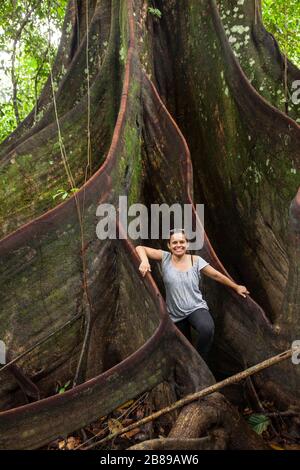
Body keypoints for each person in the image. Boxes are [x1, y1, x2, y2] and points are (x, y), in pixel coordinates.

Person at [136, 229, 249, 362]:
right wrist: (144, 261)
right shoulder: (165, 257)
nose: (178, 245)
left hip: (196, 308)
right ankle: (190, 371)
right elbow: (139, 248)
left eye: (182, 242)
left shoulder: (195, 260)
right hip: (175, 314)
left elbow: (215, 275)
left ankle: (200, 362)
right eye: (175, 242)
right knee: (183, 348)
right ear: (169, 245)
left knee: (207, 329)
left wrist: (236, 287)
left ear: (187, 244)